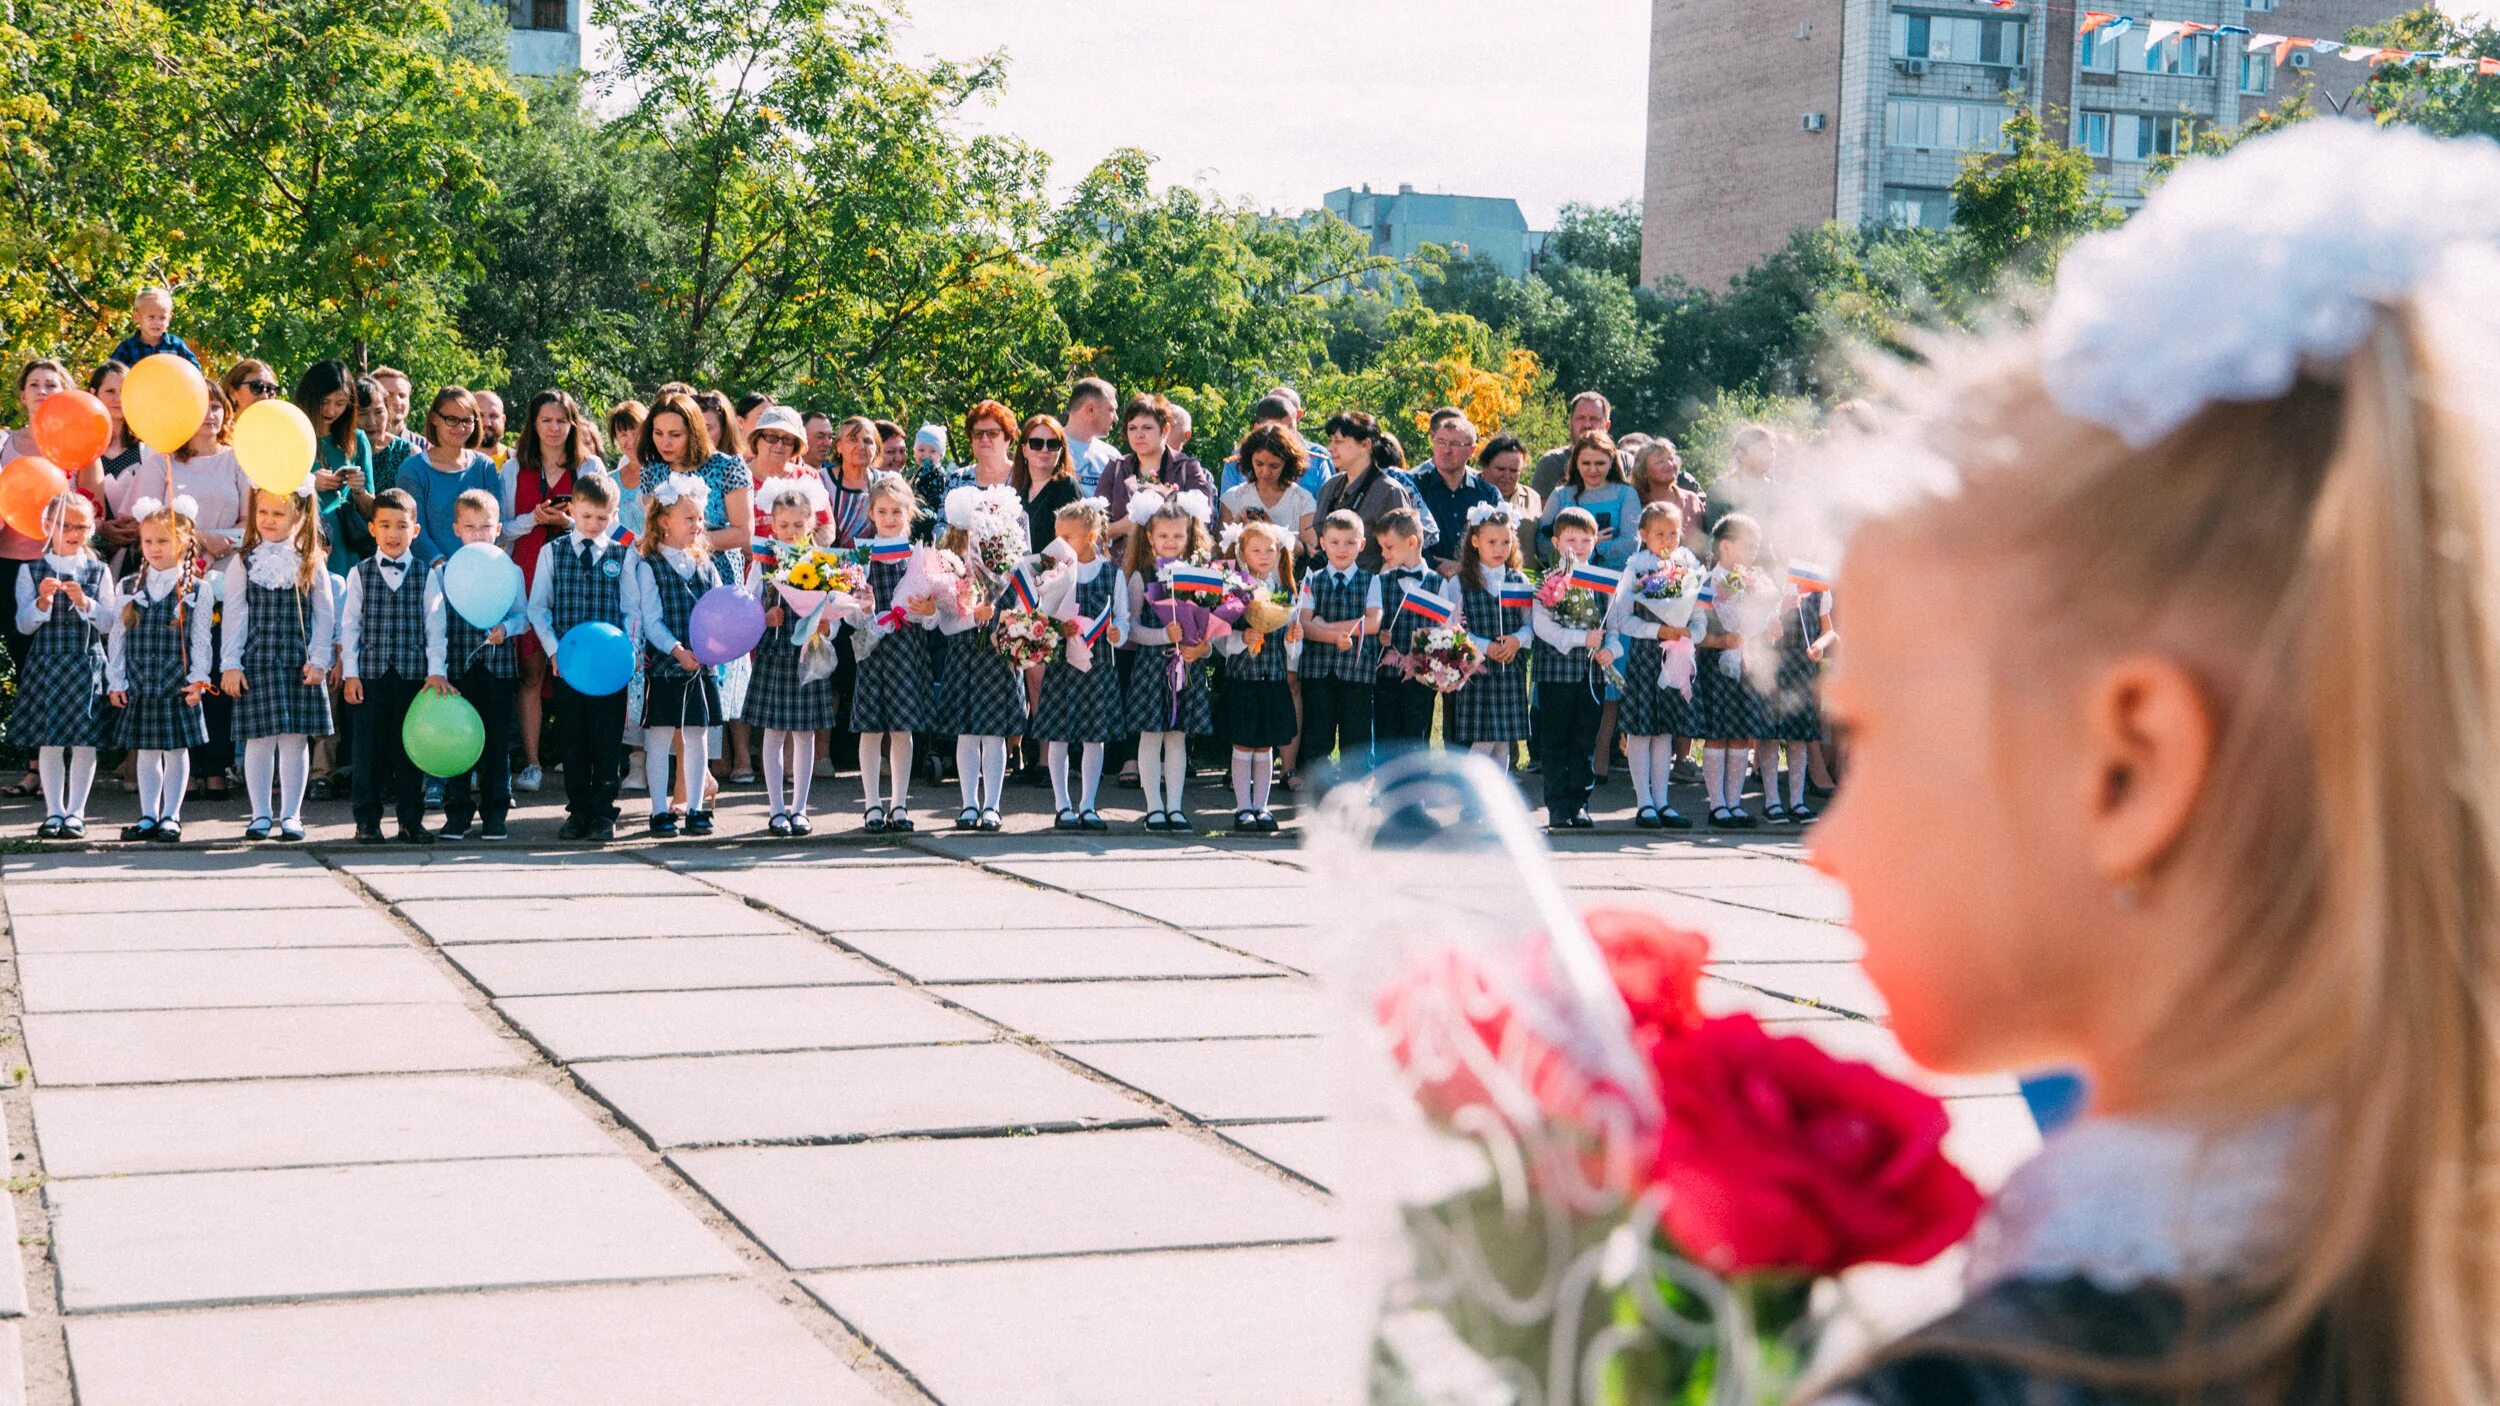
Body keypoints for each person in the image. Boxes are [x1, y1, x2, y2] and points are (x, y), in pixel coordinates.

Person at [220, 484, 334, 842]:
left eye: (278, 513)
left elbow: (325, 614)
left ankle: (291, 815)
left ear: (298, 516)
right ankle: (259, 814)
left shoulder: (310, 559)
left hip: (297, 660)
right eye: (263, 512)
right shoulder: (245, 560)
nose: (268, 520)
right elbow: (235, 614)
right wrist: (231, 663)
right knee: (259, 740)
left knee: (294, 740)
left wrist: (319, 659)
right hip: (258, 658)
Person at [506, 389, 604, 797]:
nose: (554, 428)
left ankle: (580, 757)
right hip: (526, 570)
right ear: (533, 424)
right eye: (546, 420)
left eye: (561, 420)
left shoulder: (590, 465)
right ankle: (531, 762)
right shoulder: (514, 468)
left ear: (573, 423)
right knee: (530, 671)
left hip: (577, 575)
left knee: (576, 670)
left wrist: (569, 524)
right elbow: (501, 528)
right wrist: (535, 518)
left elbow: (605, 521)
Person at [528, 471, 635, 842]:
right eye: (587, 516)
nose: (593, 525)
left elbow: (630, 609)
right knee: (573, 740)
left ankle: (605, 812)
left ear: (614, 514)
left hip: (609, 667)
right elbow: (538, 608)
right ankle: (578, 811)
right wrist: (554, 650)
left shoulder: (623, 554)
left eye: (602, 518)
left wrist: (627, 650)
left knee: (607, 740)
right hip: (569, 666)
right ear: (572, 509)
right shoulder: (552, 552)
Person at [107, 495, 213, 841]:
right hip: (139, 680)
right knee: (147, 750)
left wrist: (199, 678)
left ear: (183, 543)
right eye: (148, 540)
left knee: (176, 749)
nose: (154, 547)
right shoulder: (129, 587)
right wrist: (116, 679)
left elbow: (200, 639)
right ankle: (148, 814)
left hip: (176, 682)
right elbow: (118, 638)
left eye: (163, 540)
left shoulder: (196, 589)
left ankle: (172, 814)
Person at [628, 472, 728, 838]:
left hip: (701, 666)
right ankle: (658, 810)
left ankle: (696, 808)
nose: (697, 525)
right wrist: (677, 649)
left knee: (698, 735)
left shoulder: (706, 566)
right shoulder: (649, 565)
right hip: (669, 666)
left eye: (700, 519)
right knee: (659, 737)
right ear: (664, 521)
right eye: (689, 518)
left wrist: (713, 647)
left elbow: (720, 610)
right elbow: (651, 619)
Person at [424, 489, 525, 843]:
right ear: (456, 529)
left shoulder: (509, 570)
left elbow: (522, 617)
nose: (478, 534)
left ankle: (495, 814)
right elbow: (435, 622)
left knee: (496, 745)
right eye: (470, 527)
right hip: (457, 675)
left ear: (498, 528)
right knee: (457, 744)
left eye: (485, 527)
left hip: (497, 671)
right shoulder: (444, 572)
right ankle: (457, 814)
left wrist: (506, 629)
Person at [12, 494, 115, 838]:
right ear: (48, 527)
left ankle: (77, 813)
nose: (73, 532)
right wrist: (42, 601)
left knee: (84, 742)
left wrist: (86, 602)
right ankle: (54, 811)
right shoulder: (31, 569)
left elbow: (110, 623)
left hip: (86, 664)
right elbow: (23, 624)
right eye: (65, 525)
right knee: (50, 740)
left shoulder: (98, 570)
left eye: (81, 526)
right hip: (48, 665)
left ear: (91, 529)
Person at [745, 476, 841, 835]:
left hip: (808, 652)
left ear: (812, 523)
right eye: (783, 524)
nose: (790, 531)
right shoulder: (763, 561)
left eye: (799, 524)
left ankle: (800, 808)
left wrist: (828, 627)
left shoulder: (821, 562)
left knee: (804, 735)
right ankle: (775, 807)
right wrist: (764, 617)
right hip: (774, 651)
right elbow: (748, 603)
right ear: (771, 523)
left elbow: (834, 607)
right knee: (774, 732)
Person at [338, 488, 432, 845]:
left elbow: (433, 627)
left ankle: (411, 819)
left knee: (410, 751)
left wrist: (435, 670)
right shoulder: (359, 573)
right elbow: (351, 627)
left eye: (401, 526)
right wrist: (351, 673)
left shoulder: (426, 575)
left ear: (415, 531)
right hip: (371, 677)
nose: (393, 534)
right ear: (372, 529)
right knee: (368, 751)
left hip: (413, 676)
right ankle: (367, 821)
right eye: (385, 525)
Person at [934, 479, 1028, 832]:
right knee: (966, 735)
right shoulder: (952, 563)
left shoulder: (1010, 563)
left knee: (994, 735)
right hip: (964, 655)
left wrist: (1005, 622)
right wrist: (971, 616)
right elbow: (944, 624)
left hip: (997, 658)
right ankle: (968, 803)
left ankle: (992, 805)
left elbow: (1023, 608)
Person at [1122, 492, 1216, 832]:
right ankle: (1154, 808)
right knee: (1152, 736)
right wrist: (1164, 636)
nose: (1171, 542)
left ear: (1190, 535)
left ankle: (1175, 807)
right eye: (1163, 535)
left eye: (1178, 535)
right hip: (1151, 666)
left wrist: (1202, 648)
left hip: (1187, 665)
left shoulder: (1200, 574)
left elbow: (1212, 626)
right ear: (1149, 536)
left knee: (1178, 737)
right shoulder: (1139, 576)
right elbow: (1130, 626)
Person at [850, 473, 939, 832]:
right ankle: (872, 803)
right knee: (870, 730)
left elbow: (934, 619)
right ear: (871, 513)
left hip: (907, 651)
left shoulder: (920, 557)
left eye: (897, 512)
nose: (889, 518)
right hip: (873, 651)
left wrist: (927, 610)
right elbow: (851, 617)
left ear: (909, 514)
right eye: (883, 511)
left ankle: (899, 804)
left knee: (903, 730)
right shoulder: (861, 557)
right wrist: (864, 607)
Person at [1028, 498, 1124, 829]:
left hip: (1098, 667)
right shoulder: (1053, 568)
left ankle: (1089, 804)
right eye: (1058, 536)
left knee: (1093, 737)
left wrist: (1116, 632)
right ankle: (1062, 804)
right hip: (1062, 665)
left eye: (1068, 537)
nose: (1060, 544)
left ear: (1092, 534)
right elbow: (1039, 613)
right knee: (1058, 735)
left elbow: (1122, 620)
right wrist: (1057, 626)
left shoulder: (1113, 574)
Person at [1609, 501, 1702, 830]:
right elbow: (1624, 618)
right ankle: (1643, 802)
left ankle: (1663, 801)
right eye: (1659, 533)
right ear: (1643, 534)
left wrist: (1691, 632)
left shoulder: (1688, 566)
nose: (1667, 540)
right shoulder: (1636, 567)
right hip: (1647, 656)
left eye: (1674, 533)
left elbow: (1699, 611)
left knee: (1664, 729)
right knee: (1641, 729)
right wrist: (1658, 630)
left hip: (1676, 654)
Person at [1214, 519, 1298, 833]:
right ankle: (1243, 807)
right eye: (1256, 550)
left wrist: (1293, 635)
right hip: (1242, 680)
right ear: (1242, 553)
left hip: (1273, 678)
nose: (1264, 555)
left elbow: (1291, 644)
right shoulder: (1235, 591)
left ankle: (1262, 807)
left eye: (1270, 550)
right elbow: (1220, 638)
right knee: (1243, 744)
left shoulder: (1283, 591)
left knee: (1265, 747)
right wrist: (1242, 638)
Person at [1531, 508, 1609, 830]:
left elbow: (1613, 626)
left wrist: (1610, 649)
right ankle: (1557, 807)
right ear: (1555, 542)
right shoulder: (1547, 580)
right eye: (1570, 540)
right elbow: (1542, 627)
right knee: (1555, 742)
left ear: (1595, 543)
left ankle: (1580, 804)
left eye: (1585, 540)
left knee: (1583, 741)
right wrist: (1581, 638)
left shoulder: (1602, 582)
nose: (1578, 546)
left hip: (1591, 675)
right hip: (1555, 674)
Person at [1293, 509, 1381, 785]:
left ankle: (1357, 783)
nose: (1342, 549)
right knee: (1318, 726)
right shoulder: (1311, 580)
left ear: (1362, 544)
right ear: (1322, 542)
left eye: (1350, 542)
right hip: (1318, 670)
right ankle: (1317, 782)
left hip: (1357, 671)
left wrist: (1326, 626)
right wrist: (1335, 636)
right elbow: (1304, 625)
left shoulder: (1371, 580)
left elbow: (1374, 623)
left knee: (1356, 730)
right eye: (1334, 542)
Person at [1695, 513, 1771, 828]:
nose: (1754, 552)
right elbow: (1696, 631)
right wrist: (1721, 640)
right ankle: (1717, 804)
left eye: (1757, 547)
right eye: (1748, 545)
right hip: (1716, 663)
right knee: (1717, 734)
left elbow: (1760, 620)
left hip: (1745, 662)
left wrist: (1769, 624)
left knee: (1740, 733)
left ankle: (1735, 802)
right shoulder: (1706, 581)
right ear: (1725, 546)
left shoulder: (1755, 582)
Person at [1447, 504, 1531, 767]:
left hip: (1510, 672)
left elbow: (1530, 625)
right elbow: (1450, 629)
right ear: (1475, 542)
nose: (1499, 549)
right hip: (1476, 674)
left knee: (1503, 741)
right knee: (1483, 740)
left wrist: (1518, 640)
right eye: (1491, 542)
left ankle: (1496, 803)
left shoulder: (1519, 581)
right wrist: (1484, 646)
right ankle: (1474, 799)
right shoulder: (1458, 583)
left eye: (1506, 542)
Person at [394, 388, 503, 567]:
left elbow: (496, 524)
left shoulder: (485, 466)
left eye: (467, 420)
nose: (460, 428)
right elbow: (414, 530)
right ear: (435, 418)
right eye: (452, 419)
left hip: (480, 572)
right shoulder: (412, 469)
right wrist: (443, 566)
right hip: (430, 576)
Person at [1370, 509, 1443, 752]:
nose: (1383, 553)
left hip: (1421, 679)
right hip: (1386, 677)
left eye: (1389, 547)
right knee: (1385, 737)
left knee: (1416, 739)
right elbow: (1372, 621)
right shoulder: (1380, 582)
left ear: (1411, 541)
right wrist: (1380, 636)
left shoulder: (1438, 583)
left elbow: (1445, 631)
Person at [1314, 410, 1421, 572]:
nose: (1330, 448)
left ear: (1365, 444)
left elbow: (1403, 556)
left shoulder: (1389, 492)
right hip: (1326, 585)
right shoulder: (1329, 487)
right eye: (1330, 441)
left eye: (1339, 441)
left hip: (1371, 590)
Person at [297, 361, 376, 575]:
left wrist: (359, 490)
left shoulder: (357, 439)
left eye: (340, 403)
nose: (331, 410)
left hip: (345, 546)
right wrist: (308, 482)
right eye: (325, 401)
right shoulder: (292, 433)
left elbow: (370, 509)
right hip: (300, 540)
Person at [1100, 394, 1213, 545]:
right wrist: (1127, 525)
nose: (1139, 434)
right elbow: (1093, 531)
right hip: (1120, 565)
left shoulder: (1187, 468)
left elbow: (1205, 523)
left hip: (1173, 564)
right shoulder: (1116, 467)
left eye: (1147, 427)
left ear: (1165, 430)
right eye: (1132, 428)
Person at [1414, 414, 1500, 578]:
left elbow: (1502, 543)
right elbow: (1403, 538)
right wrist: (1436, 566)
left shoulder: (1487, 494)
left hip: (1476, 586)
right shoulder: (1415, 488)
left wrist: (1463, 568)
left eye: (1455, 444)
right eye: (1441, 442)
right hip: (1427, 586)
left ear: (1472, 451)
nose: (1446, 450)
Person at [1541, 431, 1642, 570]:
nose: (1593, 469)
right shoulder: (1560, 495)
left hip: (1615, 581)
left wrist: (1597, 546)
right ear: (1576, 463)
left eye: (1600, 463)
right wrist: (1585, 547)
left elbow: (1631, 544)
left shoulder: (1626, 494)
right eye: (1586, 463)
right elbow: (1542, 544)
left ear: (1611, 462)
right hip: (1568, 580)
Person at [1219, 425, 1320, 556]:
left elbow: (1311, 553)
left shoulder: (1303, 500)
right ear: (1249, 460)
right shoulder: (1232, 498)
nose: (1265, 472)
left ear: (1288, 464)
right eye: (1259, 464)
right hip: (1240, 576)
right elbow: (1220, 553)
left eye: (1274, 466)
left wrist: (1272, 528)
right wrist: (1237, 523)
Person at [1216, 394, 1329, 498]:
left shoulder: (1317, 462)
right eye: (1277, 433)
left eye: (1290, 430)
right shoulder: (1236, 461)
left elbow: (1327, 511)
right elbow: (1228, 511)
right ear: (1258, 429)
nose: (1286, 438)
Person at [1012, 413, 1080, 561]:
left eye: (1052, 444)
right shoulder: (1016, 495)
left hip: (1058, 577)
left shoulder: (1067, 487)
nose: (1044, 449)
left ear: (1061, 450)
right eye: (1036, 443)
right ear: (1024, 449)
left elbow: (1077, 543)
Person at [1531, 391, 1623, 498]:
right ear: (1570, 423)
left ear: (1606, 426)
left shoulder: (1624, 461)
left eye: (1594, 419)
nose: (1587, 425)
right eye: (1581, 418)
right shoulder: (1552, 463)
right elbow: (1543, 512)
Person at [107, 287, 199, 368]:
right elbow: (112, 374)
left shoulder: (176, 346)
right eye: (151, 317)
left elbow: (194, 370)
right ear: (137, 317)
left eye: (162, 318)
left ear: (169, 319)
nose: (157, 322)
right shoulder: (127, 348)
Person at [1062, 377, 1120, 495]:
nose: (1116, 418)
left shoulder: (1112, 456)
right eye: (1111, 410)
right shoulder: (1045, 448)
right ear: (1090, 410)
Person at [1477, 432, 1541, 531]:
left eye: (1513, 471)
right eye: (1501, 469)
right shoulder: (1468, 493)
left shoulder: (1533, 498)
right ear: (1485, 466)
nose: (1507, 476)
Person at [472, 390, 509, 468]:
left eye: (493, 416)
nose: (487, 423)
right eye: (480, 415)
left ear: (503, 420)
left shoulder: (520, 463)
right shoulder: (450, 464)